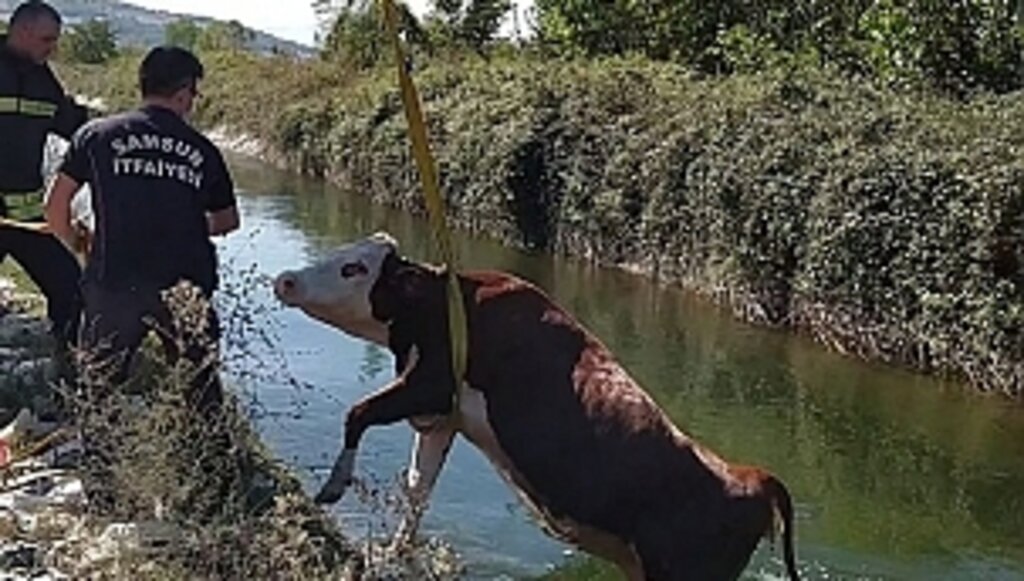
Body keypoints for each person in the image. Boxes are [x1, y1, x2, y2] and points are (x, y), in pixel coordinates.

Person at [45, 46, 240, 409]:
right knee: (200, 391)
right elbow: (228, 220)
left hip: (113, 281)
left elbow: (55, 207)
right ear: (184, 92)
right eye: (193, 94)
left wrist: (77, 242)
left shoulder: (95, 135)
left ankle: (98, 458)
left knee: (99, 391)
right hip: (185, 286)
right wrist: (185, 221)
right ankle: (205, 459)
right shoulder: (203, 150)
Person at [0, 0, 87, 346]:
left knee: (70, 291)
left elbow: (74, 129)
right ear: (21, 31)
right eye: (46, 40)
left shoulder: (44, 82)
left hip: (25, 219)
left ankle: (69, 379)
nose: (52, 49)